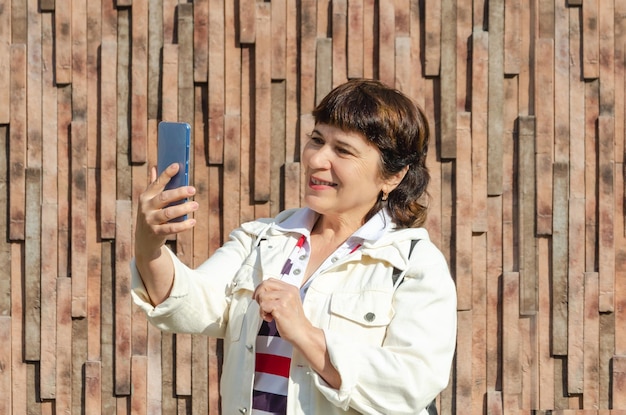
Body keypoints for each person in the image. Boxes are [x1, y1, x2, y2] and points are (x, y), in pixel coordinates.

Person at [131, 79, 457, 415]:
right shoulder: (261, 238)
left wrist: (306, 334)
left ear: (393, 176)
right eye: (316, 140)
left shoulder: (412, 265)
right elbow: (189, 304)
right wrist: (149, 244)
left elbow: (412, 386)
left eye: (342, 150)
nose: (317, 159)